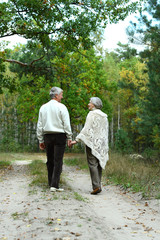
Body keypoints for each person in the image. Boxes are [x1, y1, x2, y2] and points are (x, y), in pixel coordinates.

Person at [37, 86, 72, 192]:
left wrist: (40, 140)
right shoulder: (62, 107)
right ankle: (54, 185)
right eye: (61, 94)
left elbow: (40, 124)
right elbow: (66, 123)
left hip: (47, 136)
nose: (62, 96)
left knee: (50, 160)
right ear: (56, 95)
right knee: (58, 161)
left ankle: (50, 183)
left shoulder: (43, 107)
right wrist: (69, 136)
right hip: (60, 136)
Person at [71, 97, 109, 195]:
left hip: (92, 142)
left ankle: (96, 186)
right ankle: (98, 185)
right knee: (99, 163)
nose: (88, 104)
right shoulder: (104, 116)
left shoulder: (92, 114)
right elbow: (105, 132)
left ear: (94, 104)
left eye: (90, 102)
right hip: (102, 143)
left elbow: (86, 129)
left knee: (92, 163)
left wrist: (76, 140)